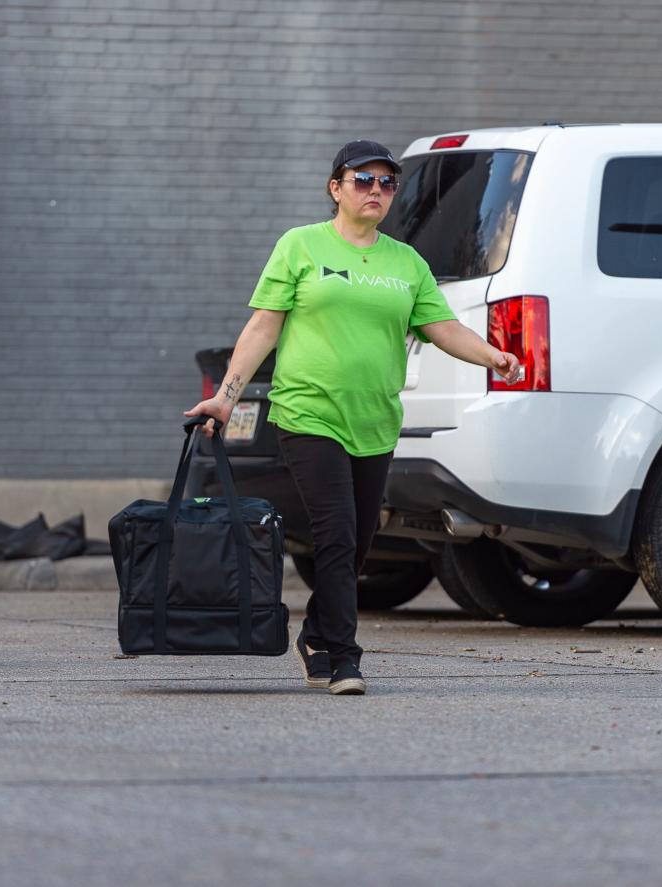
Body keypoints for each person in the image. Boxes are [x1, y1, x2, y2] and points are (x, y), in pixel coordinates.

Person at [184, 139, 521, 695]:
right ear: (335, 188)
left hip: (375, 421)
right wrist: (226, 396)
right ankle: (343, 656)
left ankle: (316, 633)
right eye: (363, 180)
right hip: (308, 412)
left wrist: (493, 355)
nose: (377, 191)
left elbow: (442, 327)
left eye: (387, 182)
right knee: (337, 534)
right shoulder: (300, 247)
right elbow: (264, 327)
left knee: (358, 542)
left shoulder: (406, 262)